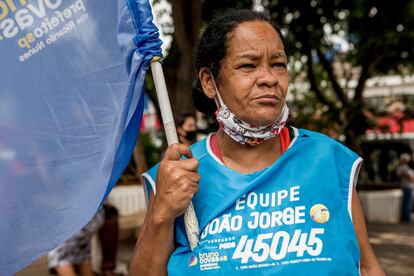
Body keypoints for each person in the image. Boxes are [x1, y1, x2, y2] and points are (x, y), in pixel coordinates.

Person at [130, 10, 385, 275]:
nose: (269, 78)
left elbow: (367, 268)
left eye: (278, 64)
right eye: (248, 66)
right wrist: (161, 215)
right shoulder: (177, 177)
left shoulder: (329, 160)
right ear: (209, 82)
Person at [396, 153, 414, 222]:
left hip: (407, 186)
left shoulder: (402, 167)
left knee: (407, 203)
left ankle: (406, 217)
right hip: (407, 187)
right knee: (407, 203)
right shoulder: (404, 167)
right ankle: (406, 218)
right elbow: (410, 178)